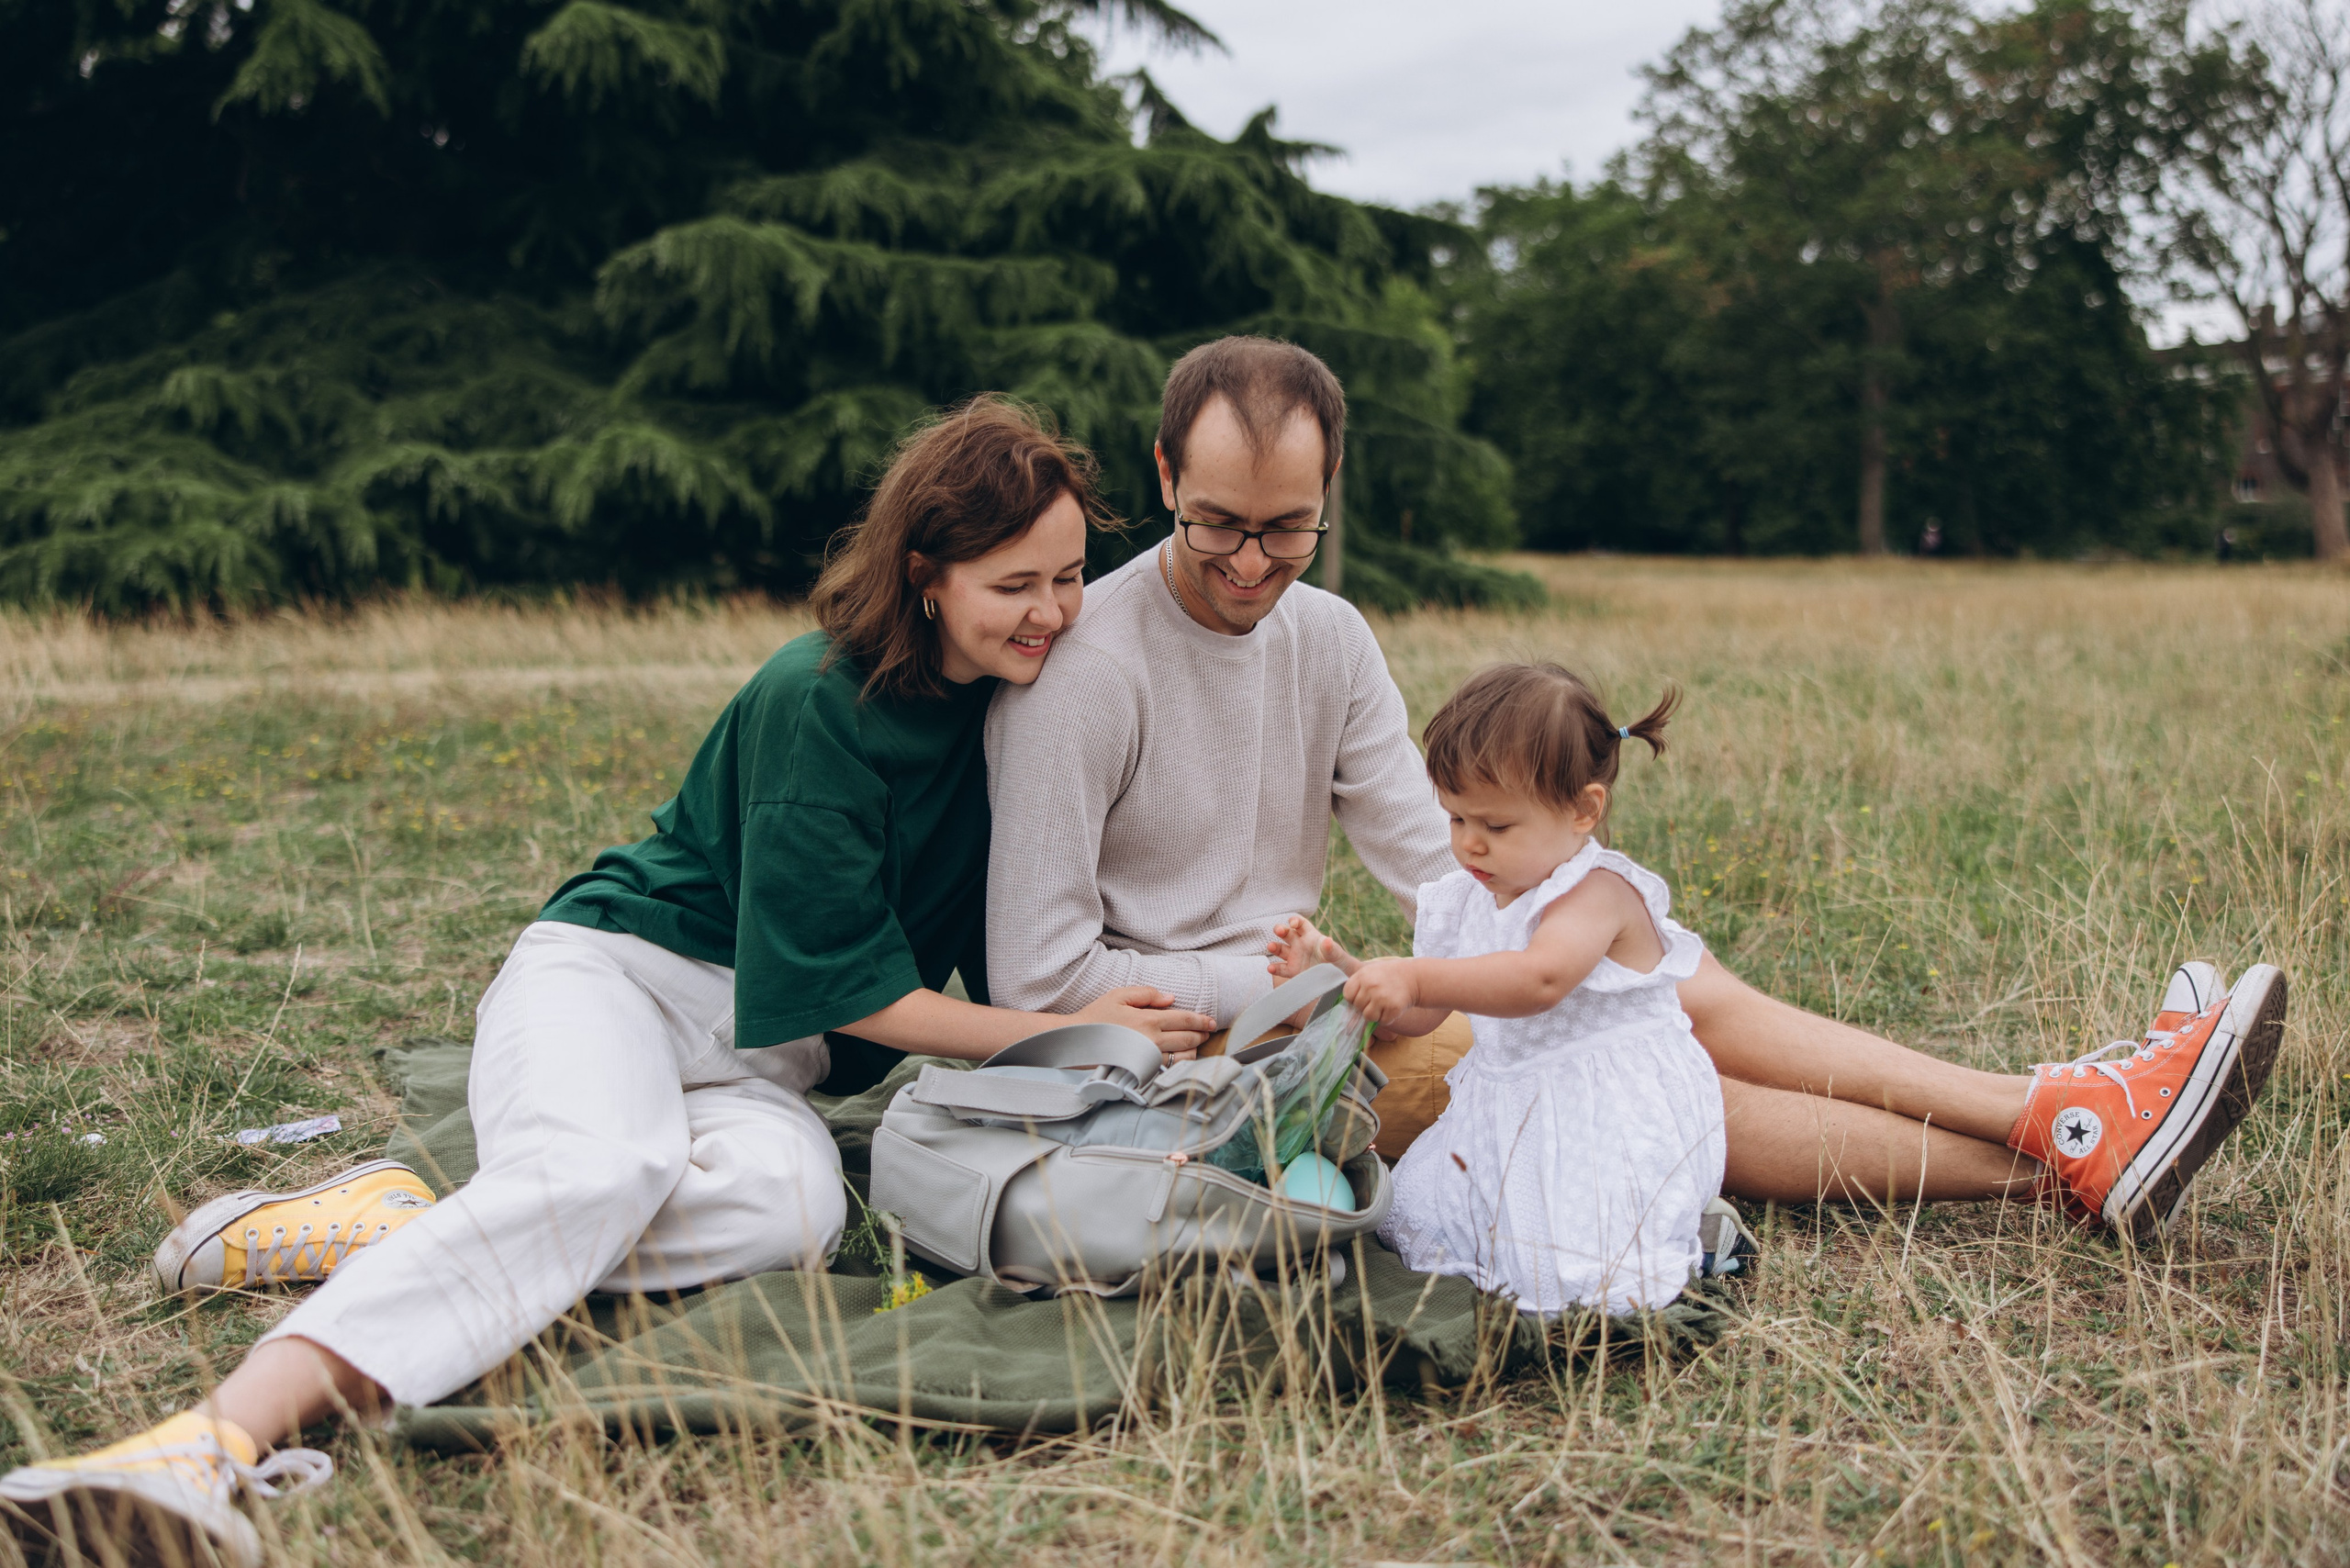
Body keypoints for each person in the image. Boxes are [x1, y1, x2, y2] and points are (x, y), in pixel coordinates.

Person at [0, 398, 1214, 1568]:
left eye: (1067, 577)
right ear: (921, 575)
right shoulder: (815, 699)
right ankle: (203, 1444)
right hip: (620, 979)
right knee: (602, 1171)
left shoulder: (1017, 713)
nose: (1054, 612)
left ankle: (408, 1227)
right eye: (1016, 584)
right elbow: (854, 998)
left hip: (759, 1060)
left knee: (794, 1214)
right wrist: (1058, 1029)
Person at [983, 334, 2288, 1233]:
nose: (1255, 563)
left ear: (1330, 490)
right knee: (1626, 1075)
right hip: (1202, 1063)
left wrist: (1590, 928)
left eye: (1289, 527)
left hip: (1327, 1006)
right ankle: (2064, 1151)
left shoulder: (1328, 636)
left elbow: (1443, 862)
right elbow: (1036, 977)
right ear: (1162, 480)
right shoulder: (1085, 665)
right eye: (1218, 522)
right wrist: (1291, 980)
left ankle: (2064, 1112)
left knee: (1644, 982)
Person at [1269, 664, 1719, 1312]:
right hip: (1508, 1103)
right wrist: (1343, 972)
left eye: (1496, 827)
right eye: (1455, 820)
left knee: (1577, 1268)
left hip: (1604, 1109)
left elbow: (1539, 979)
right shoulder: (1465, 899)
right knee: (1428, 1216)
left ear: (1583, 811)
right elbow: (1422, 1015)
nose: (1470, 845)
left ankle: (1680, 1236)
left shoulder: (1597, 896)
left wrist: (1414, 973)